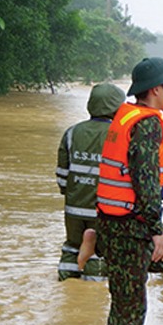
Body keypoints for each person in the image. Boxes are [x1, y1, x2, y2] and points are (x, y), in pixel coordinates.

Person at [82, 57, 163, 325]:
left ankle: (99, 245)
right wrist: (156, 229)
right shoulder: (147, 123)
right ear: (156, 90)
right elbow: (144, 180)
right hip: (132, 226)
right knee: (129, 309)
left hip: (113, 222)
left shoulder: (125, 115)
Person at [56, 83, 125, 281]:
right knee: (99, 251)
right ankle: (89, 295)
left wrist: (71, 193)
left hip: (73, 207)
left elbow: (62, 173)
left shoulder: (72, 132)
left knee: (72, 245)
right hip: (103, 208)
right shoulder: (119, 134)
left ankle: (66, 282)